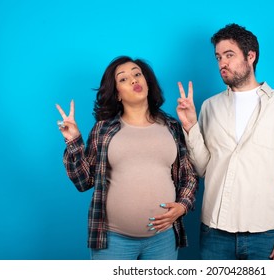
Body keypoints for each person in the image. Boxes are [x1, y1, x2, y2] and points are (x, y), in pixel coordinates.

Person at [176, 23, 274, 260]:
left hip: (266, 233)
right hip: (214, 231)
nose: (222, 63)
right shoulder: (209, 107)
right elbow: (203, 168)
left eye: (229, 55)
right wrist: (190, 126)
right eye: (218, 57)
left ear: (251, 56)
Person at [56, 56, 198, 260]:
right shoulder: (103, 129)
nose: (133, 80)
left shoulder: (172, 126)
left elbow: (189, 174)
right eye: (123, 79)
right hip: (114, 241)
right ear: (118, 95)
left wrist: (183, 205)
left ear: (147, 83)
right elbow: (83, 181)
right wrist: (74, 142)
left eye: (137, 74)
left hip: (163, 240)